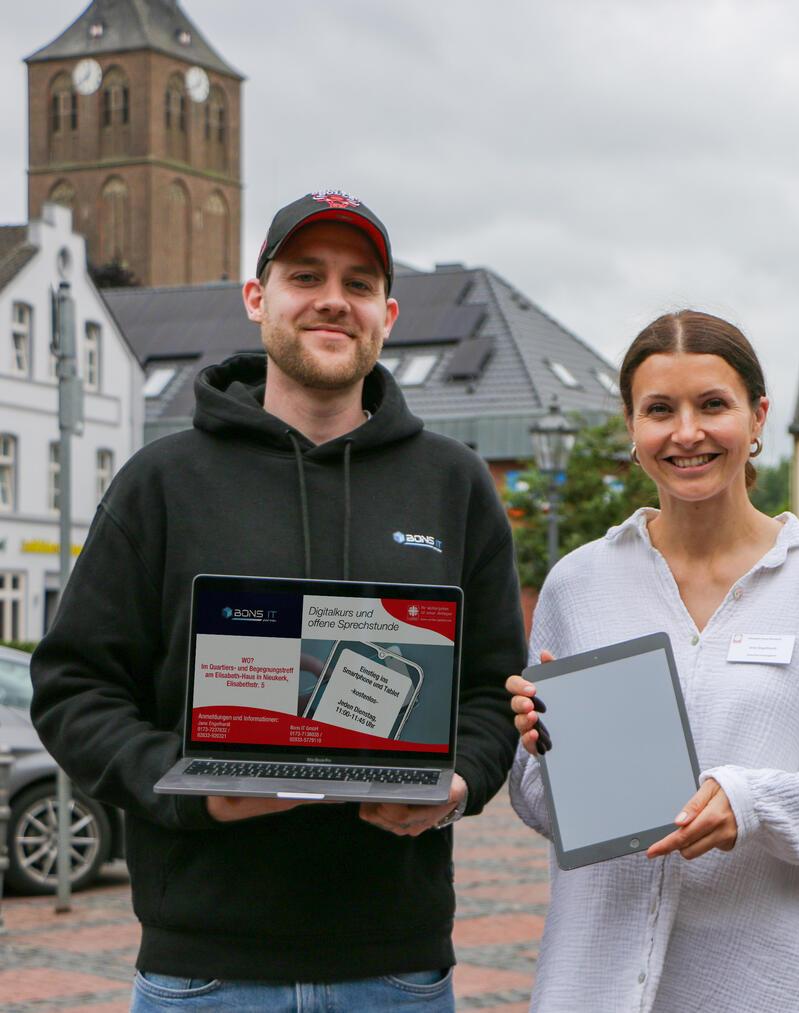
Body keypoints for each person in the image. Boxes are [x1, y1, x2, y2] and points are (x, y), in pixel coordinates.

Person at [30, 191, 525, 1009]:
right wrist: (190, 786)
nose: (334, 298)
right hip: (203, 971)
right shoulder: (162, 483)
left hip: (396, 970)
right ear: (257, 297)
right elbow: (73, 688)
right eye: (306, 275)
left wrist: (460, 785)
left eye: (359, 283)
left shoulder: (455, 484)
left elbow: (492, 693)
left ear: (387, 314)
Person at [506, 310, 799, 1011]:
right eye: (659, 409)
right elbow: (538, 802)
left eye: (712, 405)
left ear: (757, 418)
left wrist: (751, 802)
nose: (686, 432)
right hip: (604, 988)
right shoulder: (580, 584)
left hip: (781, 986)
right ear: (632, 429)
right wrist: (546, 752)